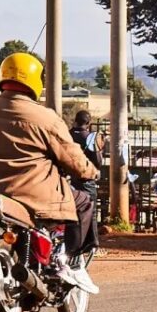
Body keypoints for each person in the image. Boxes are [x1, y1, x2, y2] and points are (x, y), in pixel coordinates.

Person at [0, 52, 100, 295]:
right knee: (84, 202)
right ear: (36, 81)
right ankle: (72, 262)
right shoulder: (45, 117)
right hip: (32, 195)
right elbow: (73, 159)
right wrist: (91, 172)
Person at [69, 110, 103, 258]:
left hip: (67, 178)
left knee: (69, 213)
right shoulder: (90, 137)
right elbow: (98, 161)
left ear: (75, 120)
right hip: (85, 179)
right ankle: (93, 245)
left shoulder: (67, 135)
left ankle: (70, 245)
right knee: (91, 212)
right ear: (88, 123)